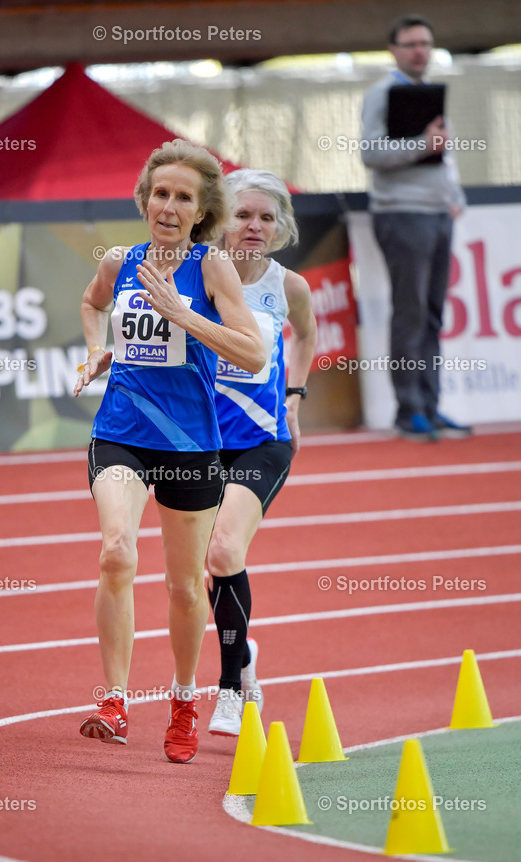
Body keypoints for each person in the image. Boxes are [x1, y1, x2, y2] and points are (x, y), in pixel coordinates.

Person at [74, 139, 265, 764]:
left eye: (184, 197)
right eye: (160, 193)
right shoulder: (119, 260)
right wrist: (95, 349)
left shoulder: (212, 268)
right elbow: (92, 302)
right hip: (122, 429)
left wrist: (184, 315)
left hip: (190, 442)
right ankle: (114, 701)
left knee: (185, 587)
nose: (169, 205)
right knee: (115, 553)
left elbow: (253, 353)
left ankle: (185, 698)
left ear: (201, 209)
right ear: (144, 199)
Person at [206, 169, 317, 736]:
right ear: (221, 217)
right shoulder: (192, 275)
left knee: (224, 550)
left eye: (266, 218)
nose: (253, 226)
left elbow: (307, 335)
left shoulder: (287, 285)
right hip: (196, 443)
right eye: (243, 214)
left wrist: (294, 398)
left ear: (280, 228)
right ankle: (243, 653)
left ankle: (230, 691)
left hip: (263, 441)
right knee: (214, 568)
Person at [360, 13, 472, 440]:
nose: (420, 50)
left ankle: (431, 405)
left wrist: (454, 197)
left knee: (431, 315)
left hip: (439, 214)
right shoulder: (383, 93)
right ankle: (410, 412)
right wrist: (421, 145)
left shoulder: (431, 95)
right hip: (402, 213)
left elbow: (447, 156)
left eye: (425, 43)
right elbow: (370, 152)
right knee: (410, 314)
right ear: (394, 50)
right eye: (410, 44)